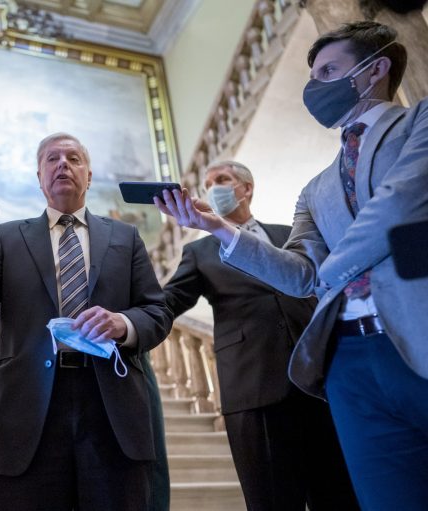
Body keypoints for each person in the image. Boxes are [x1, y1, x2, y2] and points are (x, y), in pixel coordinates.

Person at [154, 21, 428, 510]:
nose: (315, 87)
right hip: (348, 362)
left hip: (418, 333)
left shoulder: (419, 124)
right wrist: (218, 228)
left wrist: (329, 276)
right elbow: (301, 274)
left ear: (376, 69)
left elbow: (398, 205)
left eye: (328, 72)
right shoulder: (314, 190)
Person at [0, 132, 173, 510]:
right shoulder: (6, 238)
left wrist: (123, 323)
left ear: (89, 176)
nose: (63, 164)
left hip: (112, 409)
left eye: (73, 158)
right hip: (28, 408)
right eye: (52, 158)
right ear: (39, 177)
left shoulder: (126, 237)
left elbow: (157, 312)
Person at [163, 160, 358, 510]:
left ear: (246, 188)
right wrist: (128, 317)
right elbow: (168, 302)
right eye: (208, 183)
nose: (214, 188)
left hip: (318, 383)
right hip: (253, 390)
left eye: (222, 179)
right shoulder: (199, 252)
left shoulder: (290, 234)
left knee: (341, 496)